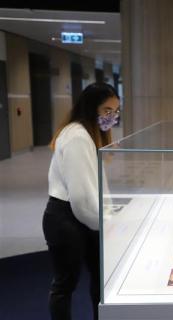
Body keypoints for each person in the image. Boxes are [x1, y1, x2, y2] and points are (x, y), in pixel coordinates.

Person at [42, 83, 120, 320]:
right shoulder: (77, 136)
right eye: (107, 110)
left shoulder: (87, 134)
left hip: (84, 216)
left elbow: (91, 182)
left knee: (99, 278)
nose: (112, 117)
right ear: (91, 107)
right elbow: (81, 197)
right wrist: (106, 223)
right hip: (67, 217)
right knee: (65, 284)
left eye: (116, 111)